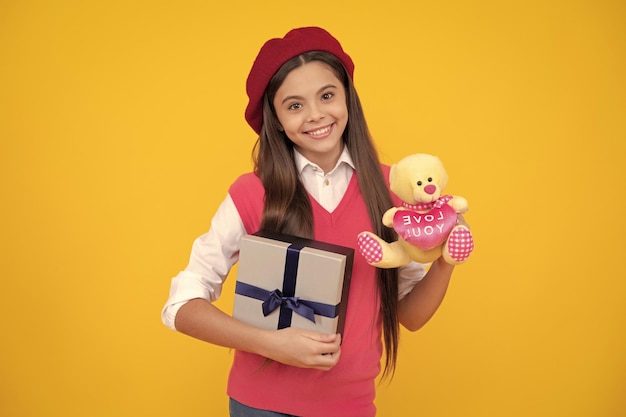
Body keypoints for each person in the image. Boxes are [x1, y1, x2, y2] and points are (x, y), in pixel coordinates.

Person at [162, 26, 458, 417]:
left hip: (350, 407)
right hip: (259, 406)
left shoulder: (393, 191)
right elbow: (182, 304)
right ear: (277, 119)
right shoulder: (252, 194)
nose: (316, 115)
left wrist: (445, 260)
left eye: (327, 95)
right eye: (295, 105)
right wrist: (271, 343)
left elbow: (410, 315)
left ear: (348, 98)